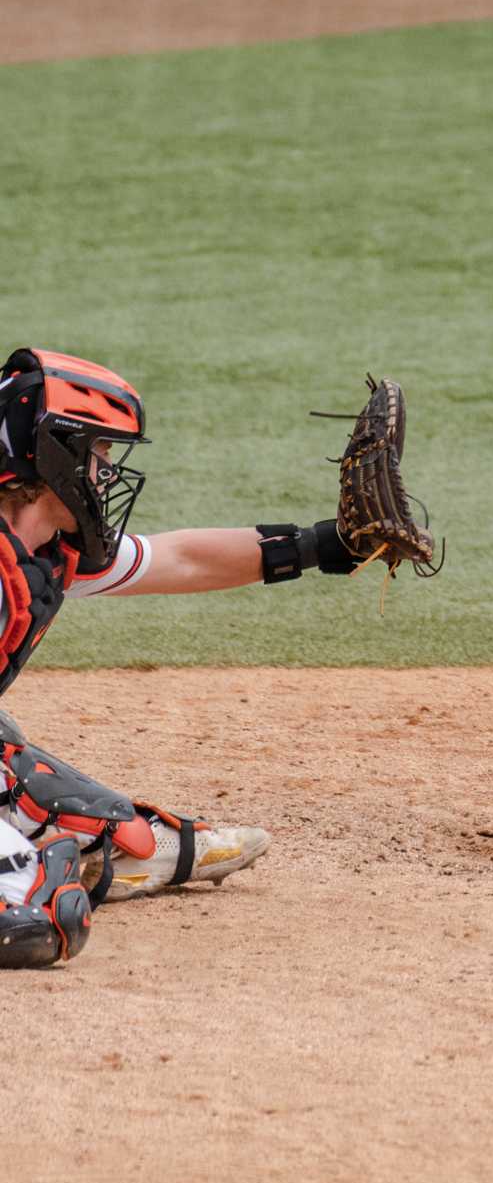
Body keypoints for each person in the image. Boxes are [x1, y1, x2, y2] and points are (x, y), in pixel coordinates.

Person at [0, 348, 377, 969]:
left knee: (66, 798)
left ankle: (99, 850)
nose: (107, 476)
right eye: (98, 457)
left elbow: (179, 558)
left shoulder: (39, 551)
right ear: (55, 456)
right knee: (39, 914)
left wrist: (320, 544)